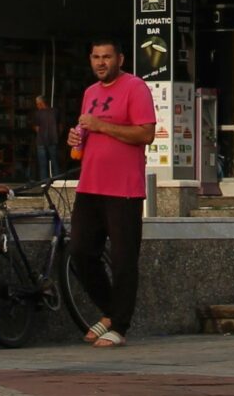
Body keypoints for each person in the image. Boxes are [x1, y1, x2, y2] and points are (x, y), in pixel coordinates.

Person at [67, 37, 157, 348]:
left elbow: (146, 133)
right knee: (80, 252)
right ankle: (110, 311)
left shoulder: (135, 88)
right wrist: (77, 138)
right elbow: (90, 132)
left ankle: (119, 325)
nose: (101, 63)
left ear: (121, 59)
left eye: (107, 57)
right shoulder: (90, 93)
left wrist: (101, 126)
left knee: (123, 259)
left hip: (124, 190)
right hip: (90, 185)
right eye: (95, 57)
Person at [31, 94, 62, 184]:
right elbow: (60, 126)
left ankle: (44, 184)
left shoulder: (38, 113)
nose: (37, 106)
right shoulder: (55, 111)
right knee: (55, 162)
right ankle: (57, 183)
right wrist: (57, 135)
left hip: (41, 140)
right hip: (53, 139)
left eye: (37, 104)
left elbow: (36, 128)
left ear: (41, 103)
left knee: (43, 164)